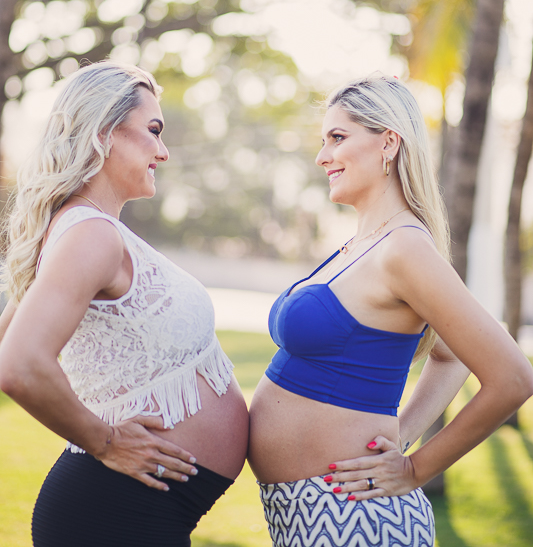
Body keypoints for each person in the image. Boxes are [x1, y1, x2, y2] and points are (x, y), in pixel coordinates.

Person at [248, 75, 533, 547]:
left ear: (388, 143)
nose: (323, 157)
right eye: (323, 141)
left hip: (355, 516)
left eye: (338, 138)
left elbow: (514, 377)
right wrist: (400, 435)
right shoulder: (360, 245)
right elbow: (450, 353)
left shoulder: (404, 248)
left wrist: (413, 466)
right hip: (307, 511)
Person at [0, 62, 249, 547]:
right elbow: (18, 364)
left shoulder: (87, 230)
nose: (164, 150)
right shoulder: (90, 234)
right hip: (115, 514)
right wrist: (106, 440)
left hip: (135, 510)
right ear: (104, 134)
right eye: (153, 131)